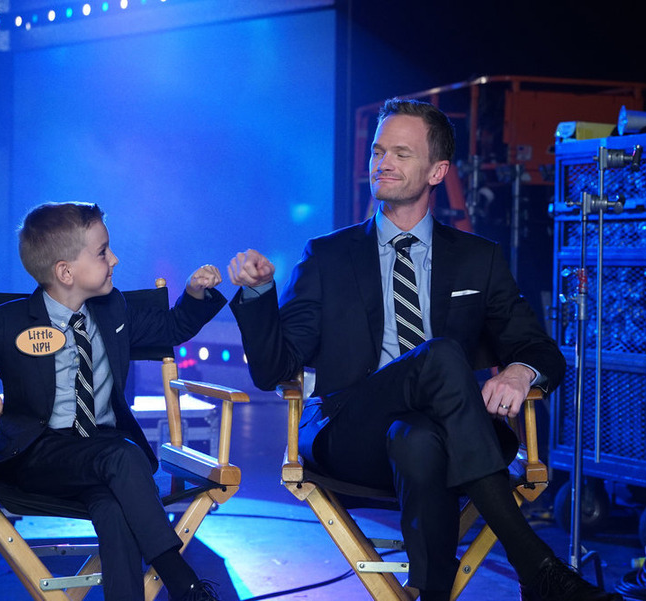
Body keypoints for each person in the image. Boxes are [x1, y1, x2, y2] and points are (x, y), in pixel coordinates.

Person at [226, 99, 621, 601]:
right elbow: (274, 369)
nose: (382, 163)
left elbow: (538, 347)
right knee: (438, 355)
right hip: (350, 432)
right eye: (378, 151)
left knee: (417, 439)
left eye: (401, 153)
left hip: (446, 435)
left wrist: (520, 373)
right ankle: (535, 564)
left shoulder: (479, 260)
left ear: (438, 171)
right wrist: (259, 296)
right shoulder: (327, 256)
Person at [0, 202, 224, 601]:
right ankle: (182, 582)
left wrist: (194, 294)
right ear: (65, 272)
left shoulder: (113, 308)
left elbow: (171, 327)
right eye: (102, 252)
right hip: (37, 456)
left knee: (115, 508)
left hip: (100, 454)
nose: (114, 258)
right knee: (123, 456)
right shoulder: (10, 321)